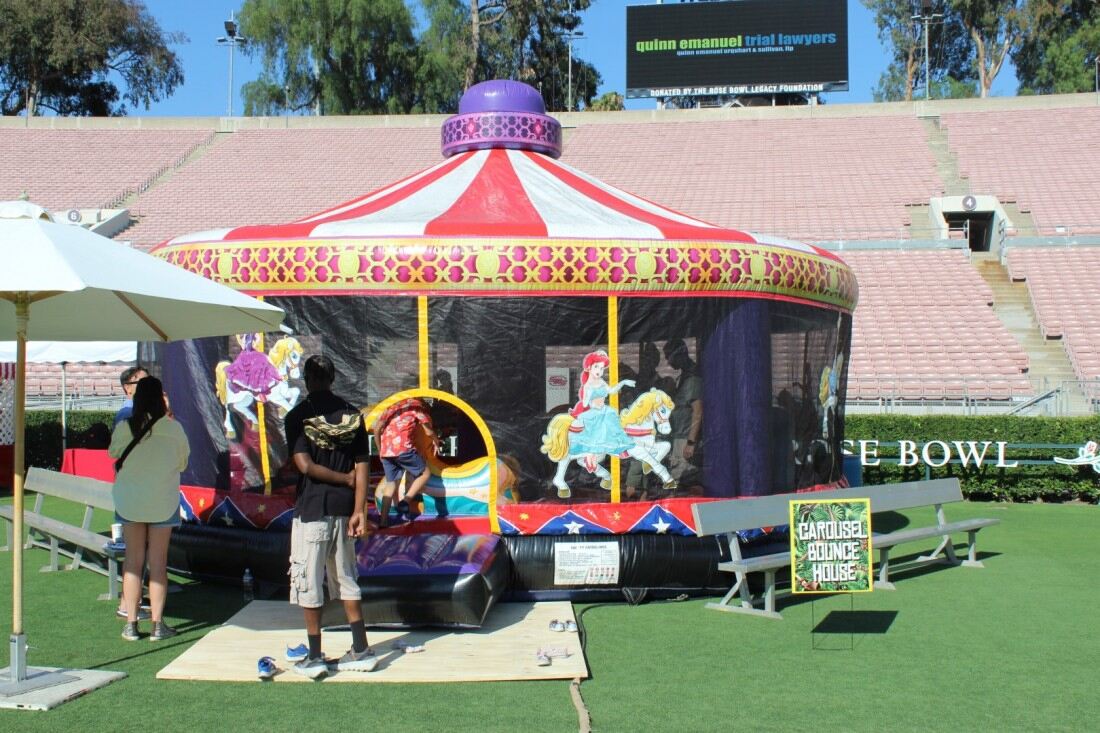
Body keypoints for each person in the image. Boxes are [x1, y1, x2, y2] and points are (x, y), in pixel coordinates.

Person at [283, 355, 375, 678]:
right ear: (332, 378)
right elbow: (363, 464)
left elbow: (304, 465)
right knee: (347, 577)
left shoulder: (298, 416)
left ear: (307, 379)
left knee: (309, 580)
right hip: (345, 509)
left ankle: (314, 656)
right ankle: (361, 649)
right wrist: (359, 509)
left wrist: (343, 479)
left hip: (312, 509)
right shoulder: (352, 414)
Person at [108, 376, 189, 642]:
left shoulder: (125, 427)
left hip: (130, 501)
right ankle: (157, 625)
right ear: (161, 399)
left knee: (132, 562)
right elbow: (182, 463)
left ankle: (131, 624)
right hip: (162, 502)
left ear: (137, 398)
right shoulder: (174, 429)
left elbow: (113, 453)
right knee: (158, 563)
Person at [567, 350, 635, 486]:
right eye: (596, 367)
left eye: (602, 368)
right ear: (589, 368)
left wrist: (623, 382)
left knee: (612, 420)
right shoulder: (588, 385)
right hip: (594, 413)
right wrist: (590, 394)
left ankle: (618, 451)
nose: (599, 370)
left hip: (604, 410)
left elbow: (612, 391)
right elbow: (584, 403)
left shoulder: (602, 382)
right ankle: (593, 460)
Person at [373, 395, 441, 527]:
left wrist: (380, 450)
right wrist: (436, 441)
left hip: (387, 451)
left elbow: (377, 429)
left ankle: (383, 521)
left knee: (391, 485)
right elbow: (428, 431)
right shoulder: (416, 408)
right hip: (403, 449)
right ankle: (406, 501)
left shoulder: (392, 406)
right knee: (425, 473)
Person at [663, 339, 703, 487]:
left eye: (669, 356)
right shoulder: (683, 377)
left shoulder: (692, 378)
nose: (668, 362)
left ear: (679, 354)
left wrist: (691, 443)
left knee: (679, 481)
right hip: (679, 436)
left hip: (685, 439)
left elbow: (698, 410)